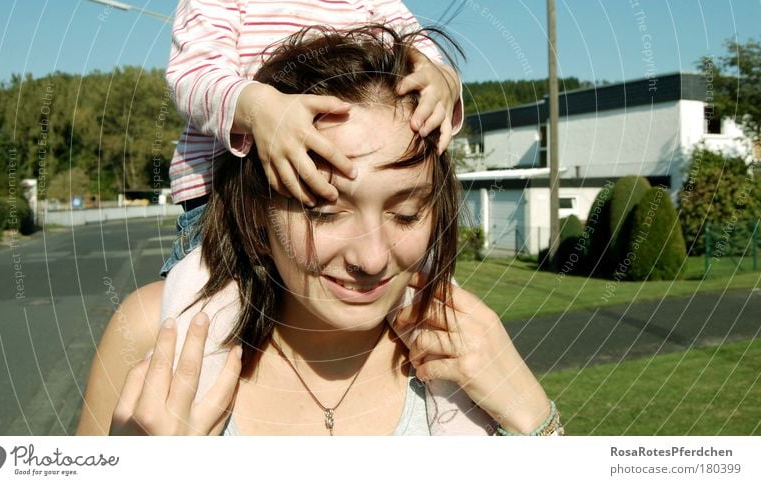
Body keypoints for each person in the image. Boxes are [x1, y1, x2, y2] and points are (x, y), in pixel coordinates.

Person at [77, 25, 561, 437]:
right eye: (323, 211)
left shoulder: (468, 348)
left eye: (408, 213)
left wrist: (536, 418)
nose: (371, 258)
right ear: (257, 215)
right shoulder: (152, 332)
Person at [162, 0, 464, 277]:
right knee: (204, 310)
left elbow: (423, 60)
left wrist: (444, 82)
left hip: (356, 199)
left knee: (420, 305)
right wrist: (260, 109)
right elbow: (195, 75)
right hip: (225, 200)